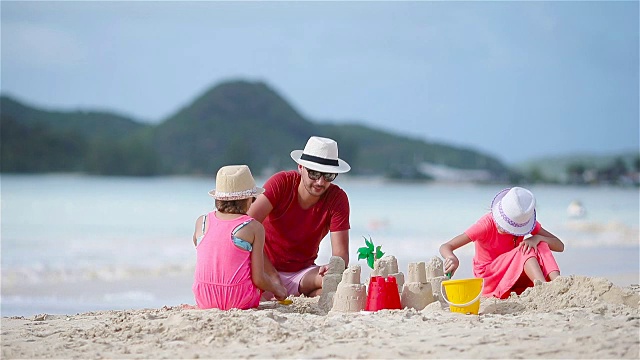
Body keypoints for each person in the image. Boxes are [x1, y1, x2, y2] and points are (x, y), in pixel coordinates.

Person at [248, 136, 351, 297]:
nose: (320, 182)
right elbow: (246, 226)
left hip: (303, 273)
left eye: (328, 176)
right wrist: (273, 276)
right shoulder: (282, 183)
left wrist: (332, 267)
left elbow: (341, 255)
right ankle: (306, 294)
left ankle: (308, 294)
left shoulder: (337, 198)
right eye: (314, 173)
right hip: (264, 269)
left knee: (335, 279)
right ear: (300, 167)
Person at [439, 187, 564, 299]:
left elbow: (560, 245)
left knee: (539, 243)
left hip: (514, 274)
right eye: (503, 222)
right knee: (525, 248)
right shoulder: (486, 224)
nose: (502, 228)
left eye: (508, 226)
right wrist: (451, 257)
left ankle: (557, 283)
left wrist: (537, 238)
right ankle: (542, 288)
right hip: (490, 278)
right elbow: (446, 246)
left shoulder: (522, 221)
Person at [192, 165, 287, 310]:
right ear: (248, 199)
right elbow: (259, 278)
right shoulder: (254, 227)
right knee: (255, 285)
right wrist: (277, 289)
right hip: (238, 299)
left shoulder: (201, 222)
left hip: (204, 298)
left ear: (218, 198)